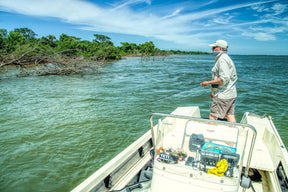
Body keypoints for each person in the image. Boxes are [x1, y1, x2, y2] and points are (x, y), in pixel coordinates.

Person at [200, 40, 237, 122]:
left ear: (220, 48)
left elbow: (223, 79)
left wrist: (207, 83)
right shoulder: (226, 58)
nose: (212, 49)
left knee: (213, 116)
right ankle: (234, 132)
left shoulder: (222, 59)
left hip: (223, 95)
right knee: (229, 115)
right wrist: (213, 91)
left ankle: (211, 133)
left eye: (214, 47)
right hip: (231, 94)